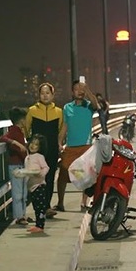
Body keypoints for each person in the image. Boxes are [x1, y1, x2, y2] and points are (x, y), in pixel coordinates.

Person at [56, 79, 99, 213]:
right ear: (72, 92)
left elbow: (96, 105)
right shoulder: (67, 107)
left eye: (82, 89)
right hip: (70, 147)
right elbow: (65, 126)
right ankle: (60, 203)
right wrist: (59, 142)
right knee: (63, 174)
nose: (79, 92)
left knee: (87, 175)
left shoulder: (88, 106)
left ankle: (84, 203)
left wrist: (87, 90)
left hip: (85, 146)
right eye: (77, 89)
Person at [25, 82, 63, 219]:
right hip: (37, 151)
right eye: (42, 93)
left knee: (50, 176)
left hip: (52, 149)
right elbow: (26, 128)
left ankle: (46, 206)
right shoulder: (32, 110)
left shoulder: (59, 112)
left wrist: (59, 144)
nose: (45, 96)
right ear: (39, 95)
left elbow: (61, 129)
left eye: (48, 93)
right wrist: (30, 144)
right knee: (37, 178)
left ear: (53, 95)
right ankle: (39, 206)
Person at [0, 107, 29, 226]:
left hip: (22, 164)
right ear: (21, 120)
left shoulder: (20, 131)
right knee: (18, 193)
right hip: (16, 166)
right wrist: (15, 143)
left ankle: (22, 215)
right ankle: (19, 217)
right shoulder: (15, 130)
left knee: (23, 192)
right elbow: (2, 138)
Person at [14, 134, 50, 234]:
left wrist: (41, 174)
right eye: (32, 143)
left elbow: (46, 168)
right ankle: (38, 224)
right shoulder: (27, 158)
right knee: (36, 207)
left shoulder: (39, 157)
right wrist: (21, 174)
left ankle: (40, 225)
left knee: (40, 207)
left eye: (36, 145)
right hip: (32, 187)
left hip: (39, 185)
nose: (33, 146)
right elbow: (28, 172)